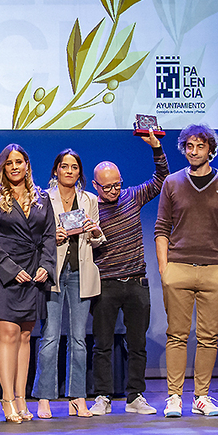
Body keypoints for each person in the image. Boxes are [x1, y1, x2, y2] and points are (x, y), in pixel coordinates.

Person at [155, 124, 218, 418]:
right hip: (178, 267)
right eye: (189, 146)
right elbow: (162, 228)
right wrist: (165, 269)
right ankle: (174, 397)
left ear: (211, 150)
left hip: (214, 269)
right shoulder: (172, 183)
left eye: (200, 146)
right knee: (176, 335)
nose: (193, 151)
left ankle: (201, 397)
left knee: (209, 337)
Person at [89, 130, 168, 416]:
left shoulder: (131, 196)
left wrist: (156, 148)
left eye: (116, 185)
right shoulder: (89, 208)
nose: (113, 191)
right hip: (105, 285)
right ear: (96, 185)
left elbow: (161, 180)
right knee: (102, 345)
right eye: (107, 187)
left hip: (136, 282)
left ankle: (135, 396)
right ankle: (102, 396)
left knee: (137, 344)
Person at [0, 144, 56, 423]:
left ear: (27, 166)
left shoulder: (42, 199)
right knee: (9, 335)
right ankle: (7, 398)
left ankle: (22, 398)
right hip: (5, 275)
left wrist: (46, 267)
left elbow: (49, 236)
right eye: (9, 163)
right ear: (3, 167)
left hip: (34, 274)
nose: (15, 167)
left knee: (26, 336)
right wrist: (12, 270)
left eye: (19, 162)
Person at [33, 149, 103, 418]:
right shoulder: (43, 199)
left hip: (80, 273)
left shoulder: (89, 200)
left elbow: (97, 238)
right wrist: (53, 237)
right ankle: (44, 398)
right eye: (64, 167)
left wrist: (96, 232)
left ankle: (78, 397)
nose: (70, 171)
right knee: (50, 337)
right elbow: (35, 237)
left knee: (79, 339)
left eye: (74, 167)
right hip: (53, 271)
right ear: (56, 170)